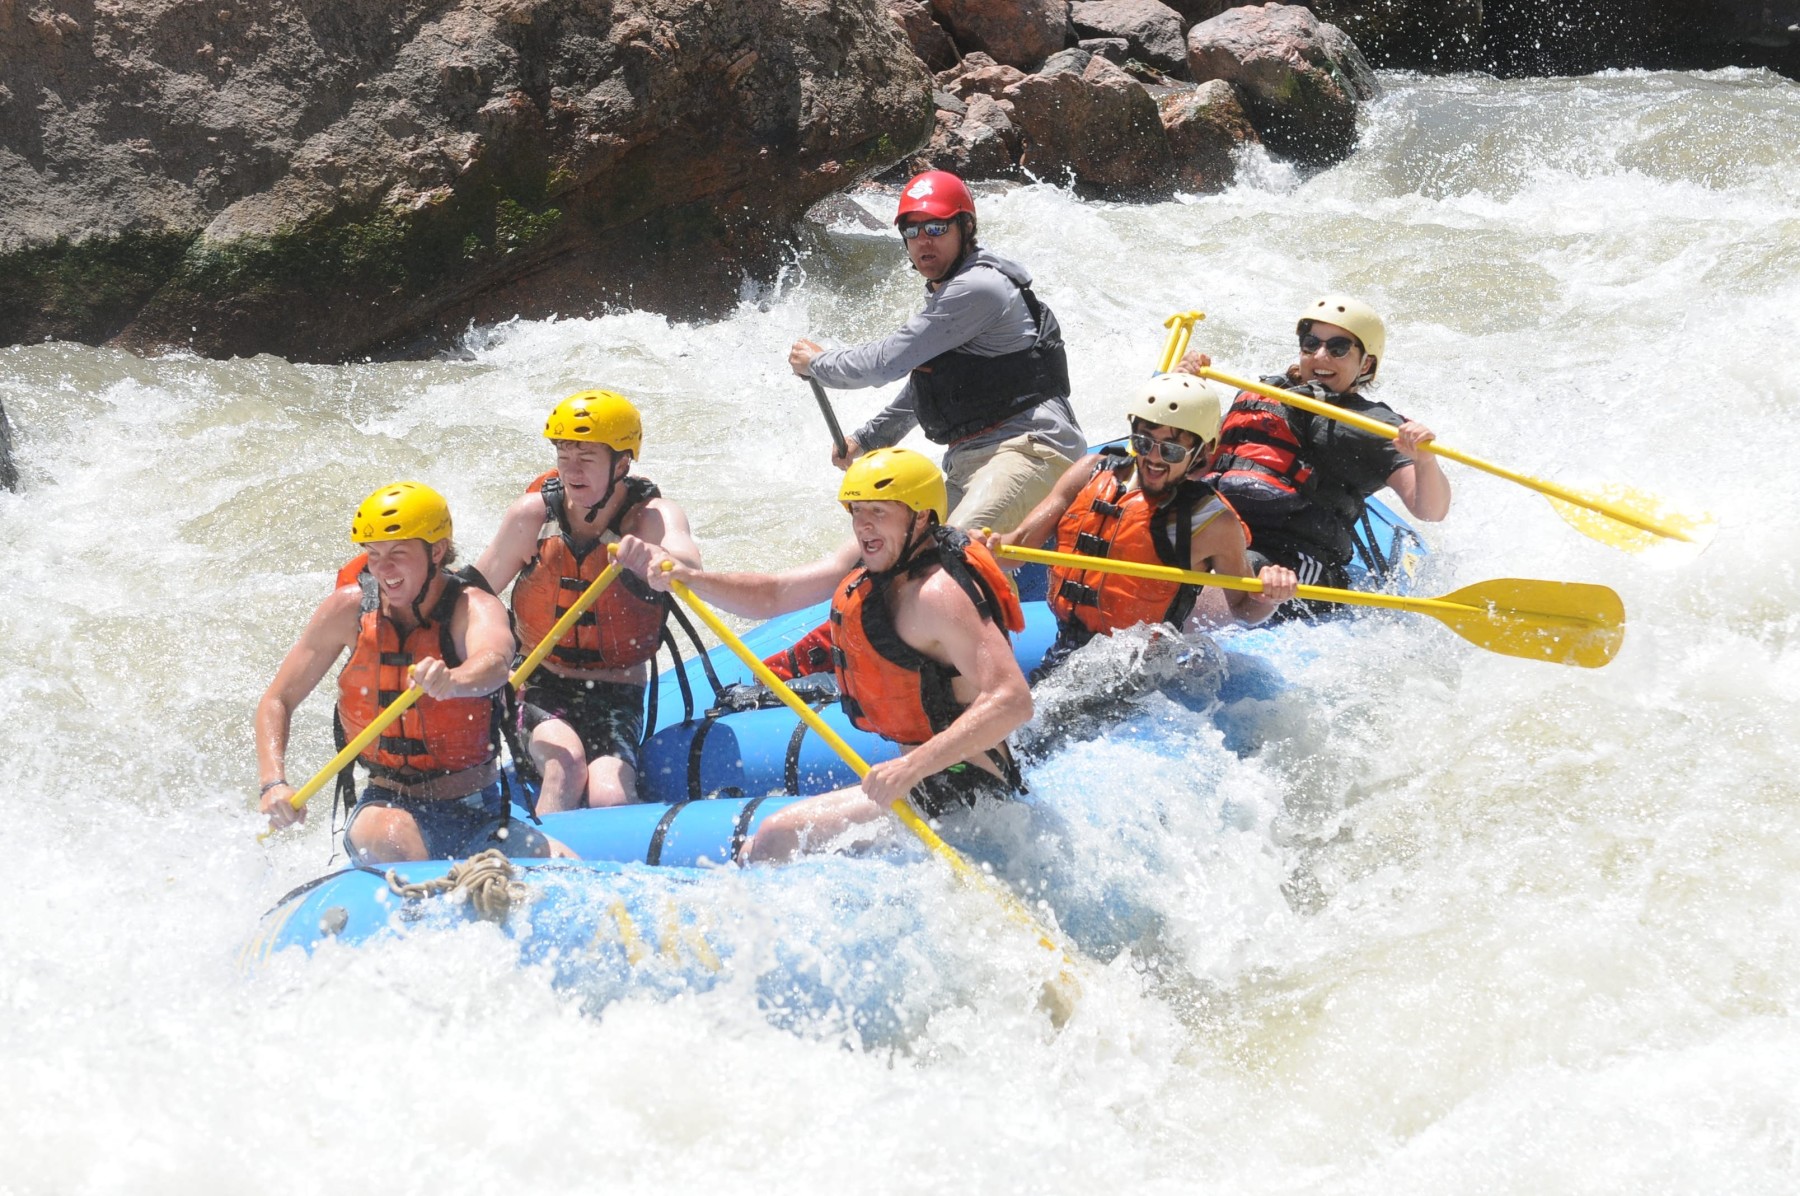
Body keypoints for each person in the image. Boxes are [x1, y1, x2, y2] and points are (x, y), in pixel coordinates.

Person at [616, 448, 1033, 864]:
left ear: (921, 517)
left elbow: (1013, 699)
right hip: (926, 781)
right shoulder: (877, 563)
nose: (863, 524)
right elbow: (774, 593)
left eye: (879, 511)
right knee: (765, 844)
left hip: (966, 791)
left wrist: (912, 767)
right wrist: (691, 578)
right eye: (856, 512)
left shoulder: (940, 595)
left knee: (775, 838)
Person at [256, 482, 558, 863]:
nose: (383, 569)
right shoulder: (348, 611)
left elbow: (495, 662)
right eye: (373, 554)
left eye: (397, 553)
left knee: (566, 863)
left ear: (436, 551)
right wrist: (273, 783)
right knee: (394, 837)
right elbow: (277, 700)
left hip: (479, 811)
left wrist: (454, 680)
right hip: (387, 806)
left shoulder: (473, 606)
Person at [788, 169, 1084, 533]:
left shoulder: (978, 288)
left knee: (952, 555)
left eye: (937, 228)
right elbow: (933, 382)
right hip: (973, 460)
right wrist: (869, 440)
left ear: (966, 227)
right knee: (907, 554)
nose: (923, 241)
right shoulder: (951, 290)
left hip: (1030, 449)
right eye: (911, 231)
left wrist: (817, 364)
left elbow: (887, 362)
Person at [475, 391, 702, 812]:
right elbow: (474, 595)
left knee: (609, 795)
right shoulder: (532, 517)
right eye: (564, 454)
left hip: (616, 693)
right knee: (565, 768)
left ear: (622, 464)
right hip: (538, 685)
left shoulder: (651, 518)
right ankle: (540, 872)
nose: (572, 470)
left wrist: (659, 559)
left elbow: (688, 563)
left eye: (587, 457)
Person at [992, 373, 1300, 680]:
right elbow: (1016, 548)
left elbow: (1244, 610)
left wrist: (1269, 596)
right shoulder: (1090, 472)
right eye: (1144, 442)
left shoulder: (1211, 522)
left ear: (1201, 454)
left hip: (1141, 671)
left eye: (1171, 450)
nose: (1153, 458)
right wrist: (983, 546)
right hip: (1067, 648)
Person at [1179, 295, 1450, 614]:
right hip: (1220, 527)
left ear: (1366, 364)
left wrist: (1424, 459)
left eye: (1338, 348)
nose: (1321, 356)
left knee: (1222, 578)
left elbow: (1431, 509)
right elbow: (1193, 465)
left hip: (1294, 558)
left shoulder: (1369, 425)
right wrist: (1184, 388)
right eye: (1311, 344)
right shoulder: (1270, 394)